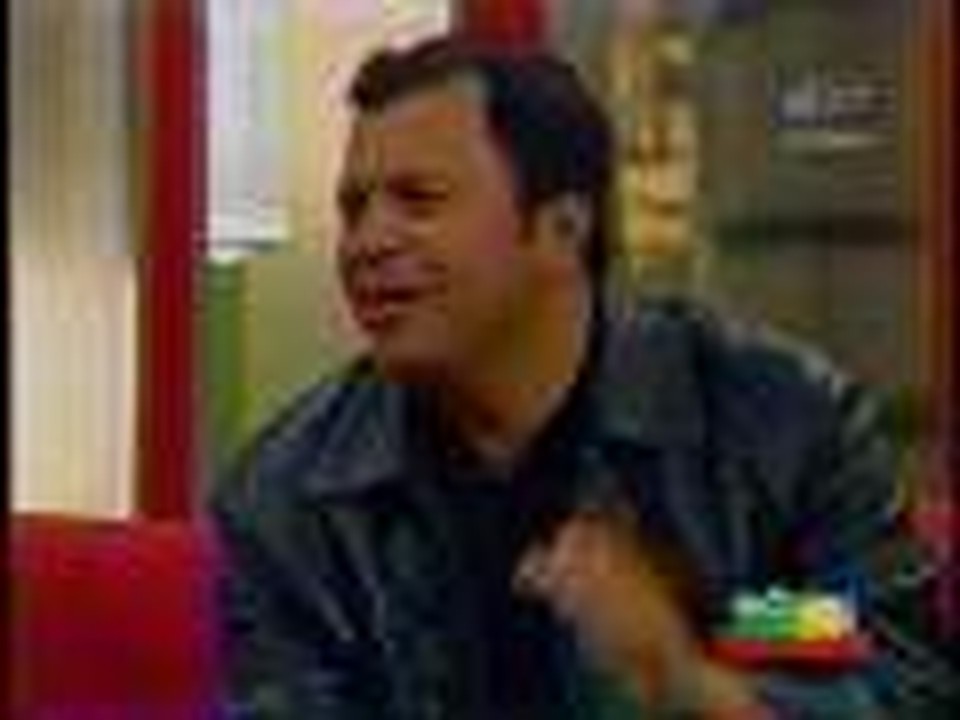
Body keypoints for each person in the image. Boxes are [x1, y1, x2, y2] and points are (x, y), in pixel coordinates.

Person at [210, 34, 955, 719]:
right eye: (355, 208)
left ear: (563, 228)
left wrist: (695, 671)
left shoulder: (779, 422)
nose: (366, 243)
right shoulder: (290, 498)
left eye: (418, 200)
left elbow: (875, 654)